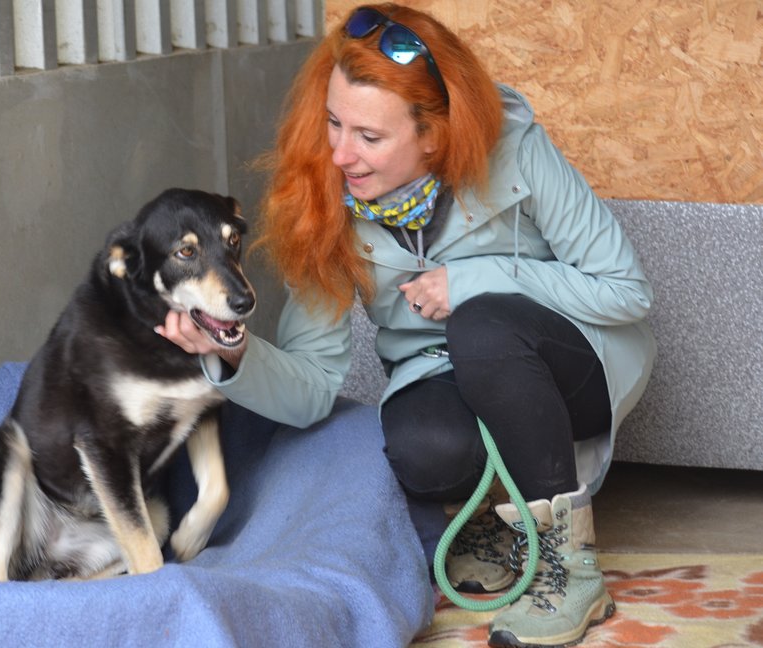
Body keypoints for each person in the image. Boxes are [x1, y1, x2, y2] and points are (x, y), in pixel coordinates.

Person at [155, 3, 656, 646]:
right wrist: (233, 353)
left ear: (434, 136)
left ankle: (573, 571)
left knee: (482, 326)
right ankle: (497, 518)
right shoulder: (324, 193)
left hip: (574, 364)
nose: (339, 153)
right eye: (334, 123)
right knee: (422, 449)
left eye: (368, 136)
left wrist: (472, 281)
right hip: (448, 370)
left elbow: (625, 290)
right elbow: (311, 387)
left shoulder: (516, 147)